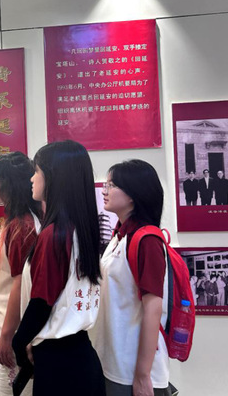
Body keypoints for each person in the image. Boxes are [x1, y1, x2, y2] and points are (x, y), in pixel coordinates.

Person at [12, 140, 105, 396]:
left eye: (36, 171)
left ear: (54, 177)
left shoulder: (55, 234)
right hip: (81, 358)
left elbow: (42, 301)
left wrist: (19, 342)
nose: (32, 178)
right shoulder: (82, 230)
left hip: (59, 367)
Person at [91, 159, 171, 396]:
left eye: (112, 185)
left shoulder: (147, 241)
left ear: (134, 194)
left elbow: (153, 308)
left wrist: (143, 375)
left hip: (132, 369)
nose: (104, 191)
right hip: (114, 361)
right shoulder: (120, 236)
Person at [0, 152, 42, 396]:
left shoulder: (22, 227)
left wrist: (7, 336)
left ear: (10, 183)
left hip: (16, 333)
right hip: (10, 328)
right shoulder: (18, 222)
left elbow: (21, 283)